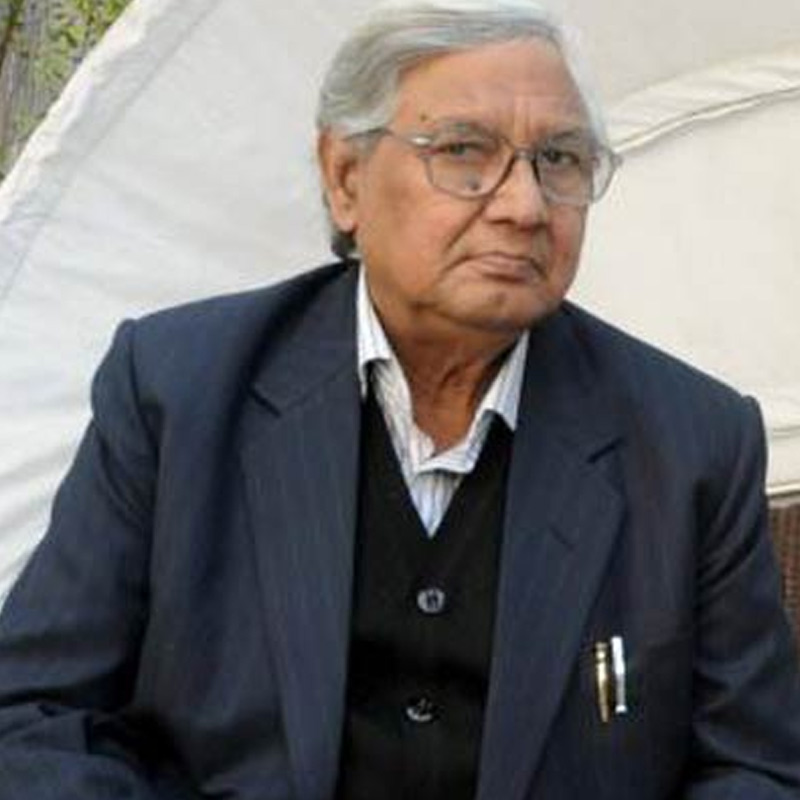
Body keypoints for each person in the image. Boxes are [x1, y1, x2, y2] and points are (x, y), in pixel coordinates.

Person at [0, 0, 798, 798]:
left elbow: (755, 768)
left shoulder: (690, 444)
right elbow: (31, 714)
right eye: (464, 151)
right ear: (345, 178)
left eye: (559, 159)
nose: (525, 206)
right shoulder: (180, 391)